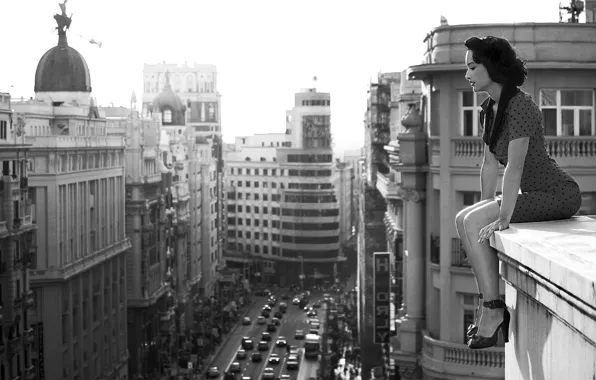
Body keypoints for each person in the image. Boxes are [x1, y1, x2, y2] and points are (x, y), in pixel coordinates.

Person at [456, 36, 582, 349]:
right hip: (532, 196)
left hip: (558, 194)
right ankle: (492, 307)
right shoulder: (489, 109)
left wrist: (501, 216)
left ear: (493, 68)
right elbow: (488, 166)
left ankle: (493, 311)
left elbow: (513, 168)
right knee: (464, 218)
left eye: (473, 67)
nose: (467, 74)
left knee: (473, 222)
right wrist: (485, 206)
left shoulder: (521, 106)